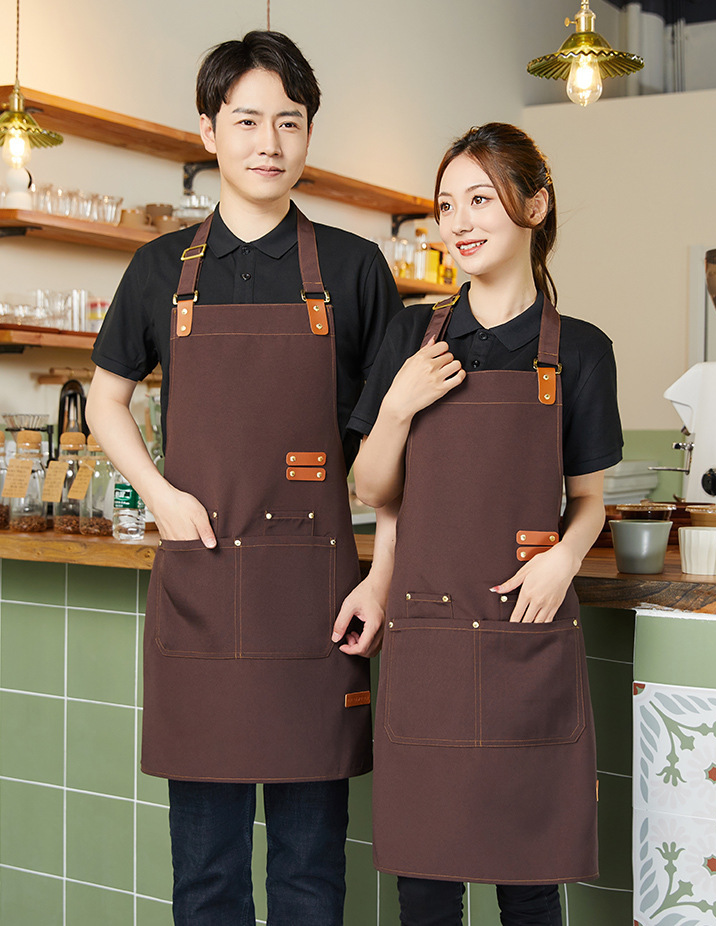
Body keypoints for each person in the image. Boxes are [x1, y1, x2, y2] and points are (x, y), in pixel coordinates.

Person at [86, 30, 402, 926]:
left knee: (310, 877)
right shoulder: (160, 269)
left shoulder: (354, 269)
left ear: (309, 135)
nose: (270, 142)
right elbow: (106, 401)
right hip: (202, 581)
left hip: (317, 604)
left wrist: (382, 577)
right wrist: (159, 494)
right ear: (209, 130)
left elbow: (395, 454)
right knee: (207, 878)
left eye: (289, 122)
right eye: (248, 120)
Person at [348, 123, 623, 926]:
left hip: (525, 633)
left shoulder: (582, 351)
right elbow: (374, 488)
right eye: (446, 206)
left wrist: (563, 560)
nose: (459, 222)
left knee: (529, 880)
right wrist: (397, 404)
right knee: (426, 884)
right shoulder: (412, 336)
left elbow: (590, 501)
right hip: (427, 637)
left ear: (534, 205)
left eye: (480, 199)